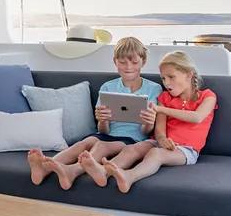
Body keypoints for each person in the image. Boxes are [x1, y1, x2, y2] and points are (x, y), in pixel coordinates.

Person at [27, 36, 161, 189]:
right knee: (85, 143)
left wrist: (149, 122)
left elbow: (146, 132)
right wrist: (103, 120)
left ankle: (73, 171)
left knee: (102, 146)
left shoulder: (154, 88)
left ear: (143, 61)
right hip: (108, 134)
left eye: (134, 62)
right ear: (115, 62)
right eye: (123, 62)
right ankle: (45, 166)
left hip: (132, 139)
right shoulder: (107, 87)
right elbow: (103, 131)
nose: (128, 67)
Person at [97, 50, 217, 194]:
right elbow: (159, 129)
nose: (166, 83)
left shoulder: (207, 96)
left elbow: (197, 117)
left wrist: (161, 109)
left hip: (186, 150)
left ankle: (129, 176)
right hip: (159, 142)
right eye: (163, 78)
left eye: (171, 77)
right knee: (132, 148)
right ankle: (103, 171)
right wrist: (162, 139)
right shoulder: (164, 98)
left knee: (156, 154)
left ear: (189, 74)